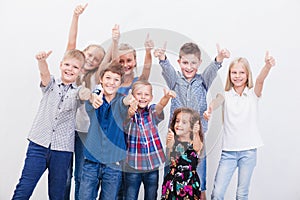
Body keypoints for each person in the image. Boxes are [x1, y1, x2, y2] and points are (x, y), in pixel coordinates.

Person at [154, 42, 230, 199]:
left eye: (193, 63)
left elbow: (211, 71)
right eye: (185, 63)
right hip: (175, 140)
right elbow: (167, 69)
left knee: (200, 183)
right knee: (171, 179)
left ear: (199, 63)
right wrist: (162, 57)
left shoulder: (202, 81)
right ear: (179, 62)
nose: (189, 67)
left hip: (197, 139)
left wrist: (219, 59)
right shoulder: (175, 80)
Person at [12, 49, 88, 200]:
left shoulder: (78, 91)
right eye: (67, 64)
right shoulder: (51, 84)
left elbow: (84, 94)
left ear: (80, 71)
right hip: (38, 145)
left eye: (75, 67)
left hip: (62, 151)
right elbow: (44, 74)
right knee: (25, 186)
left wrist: (88, 95)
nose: (70, 69)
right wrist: (42, 61)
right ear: (60, 65)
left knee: (57, 193)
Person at [64, 4, 120, 200]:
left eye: (96, 59)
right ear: (82, 53)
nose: (91, 60)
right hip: (65, 128)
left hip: (85, 132)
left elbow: (111, 61)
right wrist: (75, 17)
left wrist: (115, 41)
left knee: (80, 174)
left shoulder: (97, 78)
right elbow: (71, 44)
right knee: (64, 175)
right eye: (89, 55)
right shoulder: (74, 69)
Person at [203, 52, 276, 200]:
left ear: (247, 74)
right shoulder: (226, 93)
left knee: (242, 193)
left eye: (242, 72)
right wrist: (210, 108)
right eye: (234, 72)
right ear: (229, 75)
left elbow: (260, 80)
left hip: (248, 152)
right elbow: (217, 100)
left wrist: (267, 66)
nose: (237, 76)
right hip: (228, 152)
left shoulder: (252, 94)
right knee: (217, 194)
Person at [78, 62, 135, 200]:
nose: (111, 83)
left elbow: (123, 104)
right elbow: (90, 103)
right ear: (101, 79)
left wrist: (127, 100)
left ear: (121, 83)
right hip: (91, 161)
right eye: (108, 78)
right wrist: (92, 98)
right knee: (85, 196)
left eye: (116, 80)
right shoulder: (95, 97)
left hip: (114, 163)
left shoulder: (121, 100)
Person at [116, 34, 154, 200]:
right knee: (118, 184)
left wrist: (148, 52)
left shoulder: (138, 82)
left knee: (130, 183)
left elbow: (146, 70)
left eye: (129, 61)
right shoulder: (114, 84)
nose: (125, 65)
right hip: (118, 140)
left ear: (135, 60)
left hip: (134, 143)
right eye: (121, 61)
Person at [123, 80, 176, 200]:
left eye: (146, 94)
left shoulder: (152, 112)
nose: (142, 97)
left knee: (151, 196)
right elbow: (125, 121)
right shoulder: (129, 113)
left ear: (151, 97)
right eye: (139, 94)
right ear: (132, 96)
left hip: (152, 166)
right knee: (130, 196)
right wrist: (130, 113)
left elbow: (160, 106)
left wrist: (166, 97)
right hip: (133, 167)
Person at [161, 107, 204, 200]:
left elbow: (197, 147)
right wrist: (170, 144)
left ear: (191, 127)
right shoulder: (173, 140)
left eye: (184, 122)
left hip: (189, 184)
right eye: (177, 121)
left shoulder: (195, 142)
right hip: (172, 183)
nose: (179, 124)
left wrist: (196, 133)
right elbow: (168, 158)